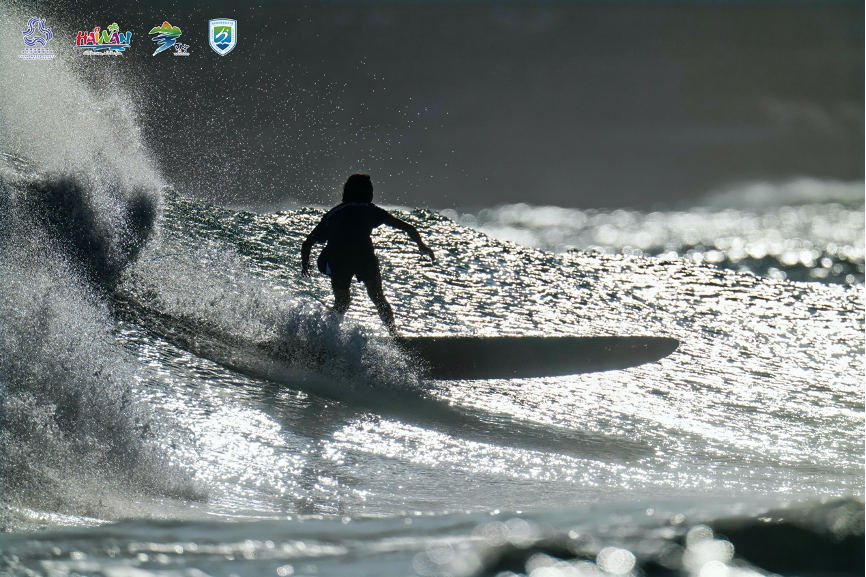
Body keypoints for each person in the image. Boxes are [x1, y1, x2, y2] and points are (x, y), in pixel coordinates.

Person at [301, 173, 435, 334]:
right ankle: (394, 335)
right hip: (363, 257)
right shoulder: (370, 210)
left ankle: (329, 335)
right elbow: (408, 228)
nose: (372, 193)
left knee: (342, 303)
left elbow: (308, 242)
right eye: (370, 189)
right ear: (366, 192)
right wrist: (421, 245)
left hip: (338, 259)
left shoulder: (334, 213)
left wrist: (305, 264)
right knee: (377, 297)